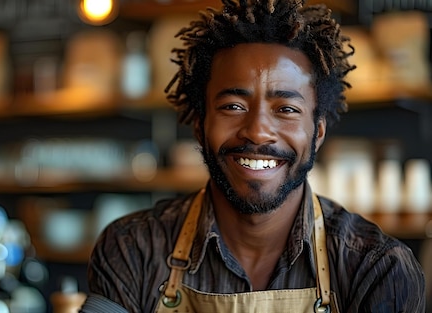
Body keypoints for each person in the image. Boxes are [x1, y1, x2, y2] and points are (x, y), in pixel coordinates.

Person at [80, 0, 427, 312]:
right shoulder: (132, 248)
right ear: (199, 126)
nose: (258, 131)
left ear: (317, 132)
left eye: (286, 109)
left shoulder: (375, 267)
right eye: (233, 106)